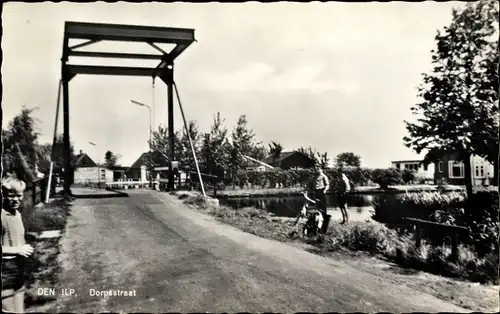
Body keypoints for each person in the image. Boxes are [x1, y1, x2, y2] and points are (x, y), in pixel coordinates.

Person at [2, 175, 34, 313]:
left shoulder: (17, 214)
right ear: (2, 195)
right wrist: (17, 249)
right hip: (5, 269)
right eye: (11, 195)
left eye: (19, 195)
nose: (15, 199)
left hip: (19, 266)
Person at [313, 167, 330, 233]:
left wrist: (324, 191)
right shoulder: (316, 176)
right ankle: (318, 220)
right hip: (316, 191)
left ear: (321, 169)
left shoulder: (324, 176)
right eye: (316, 169)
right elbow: (314, 184)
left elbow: (327, 184)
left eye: (318, 169)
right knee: (317, 206)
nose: (317, 170)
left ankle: (324, 220)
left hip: (321, 191)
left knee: (323, 206)